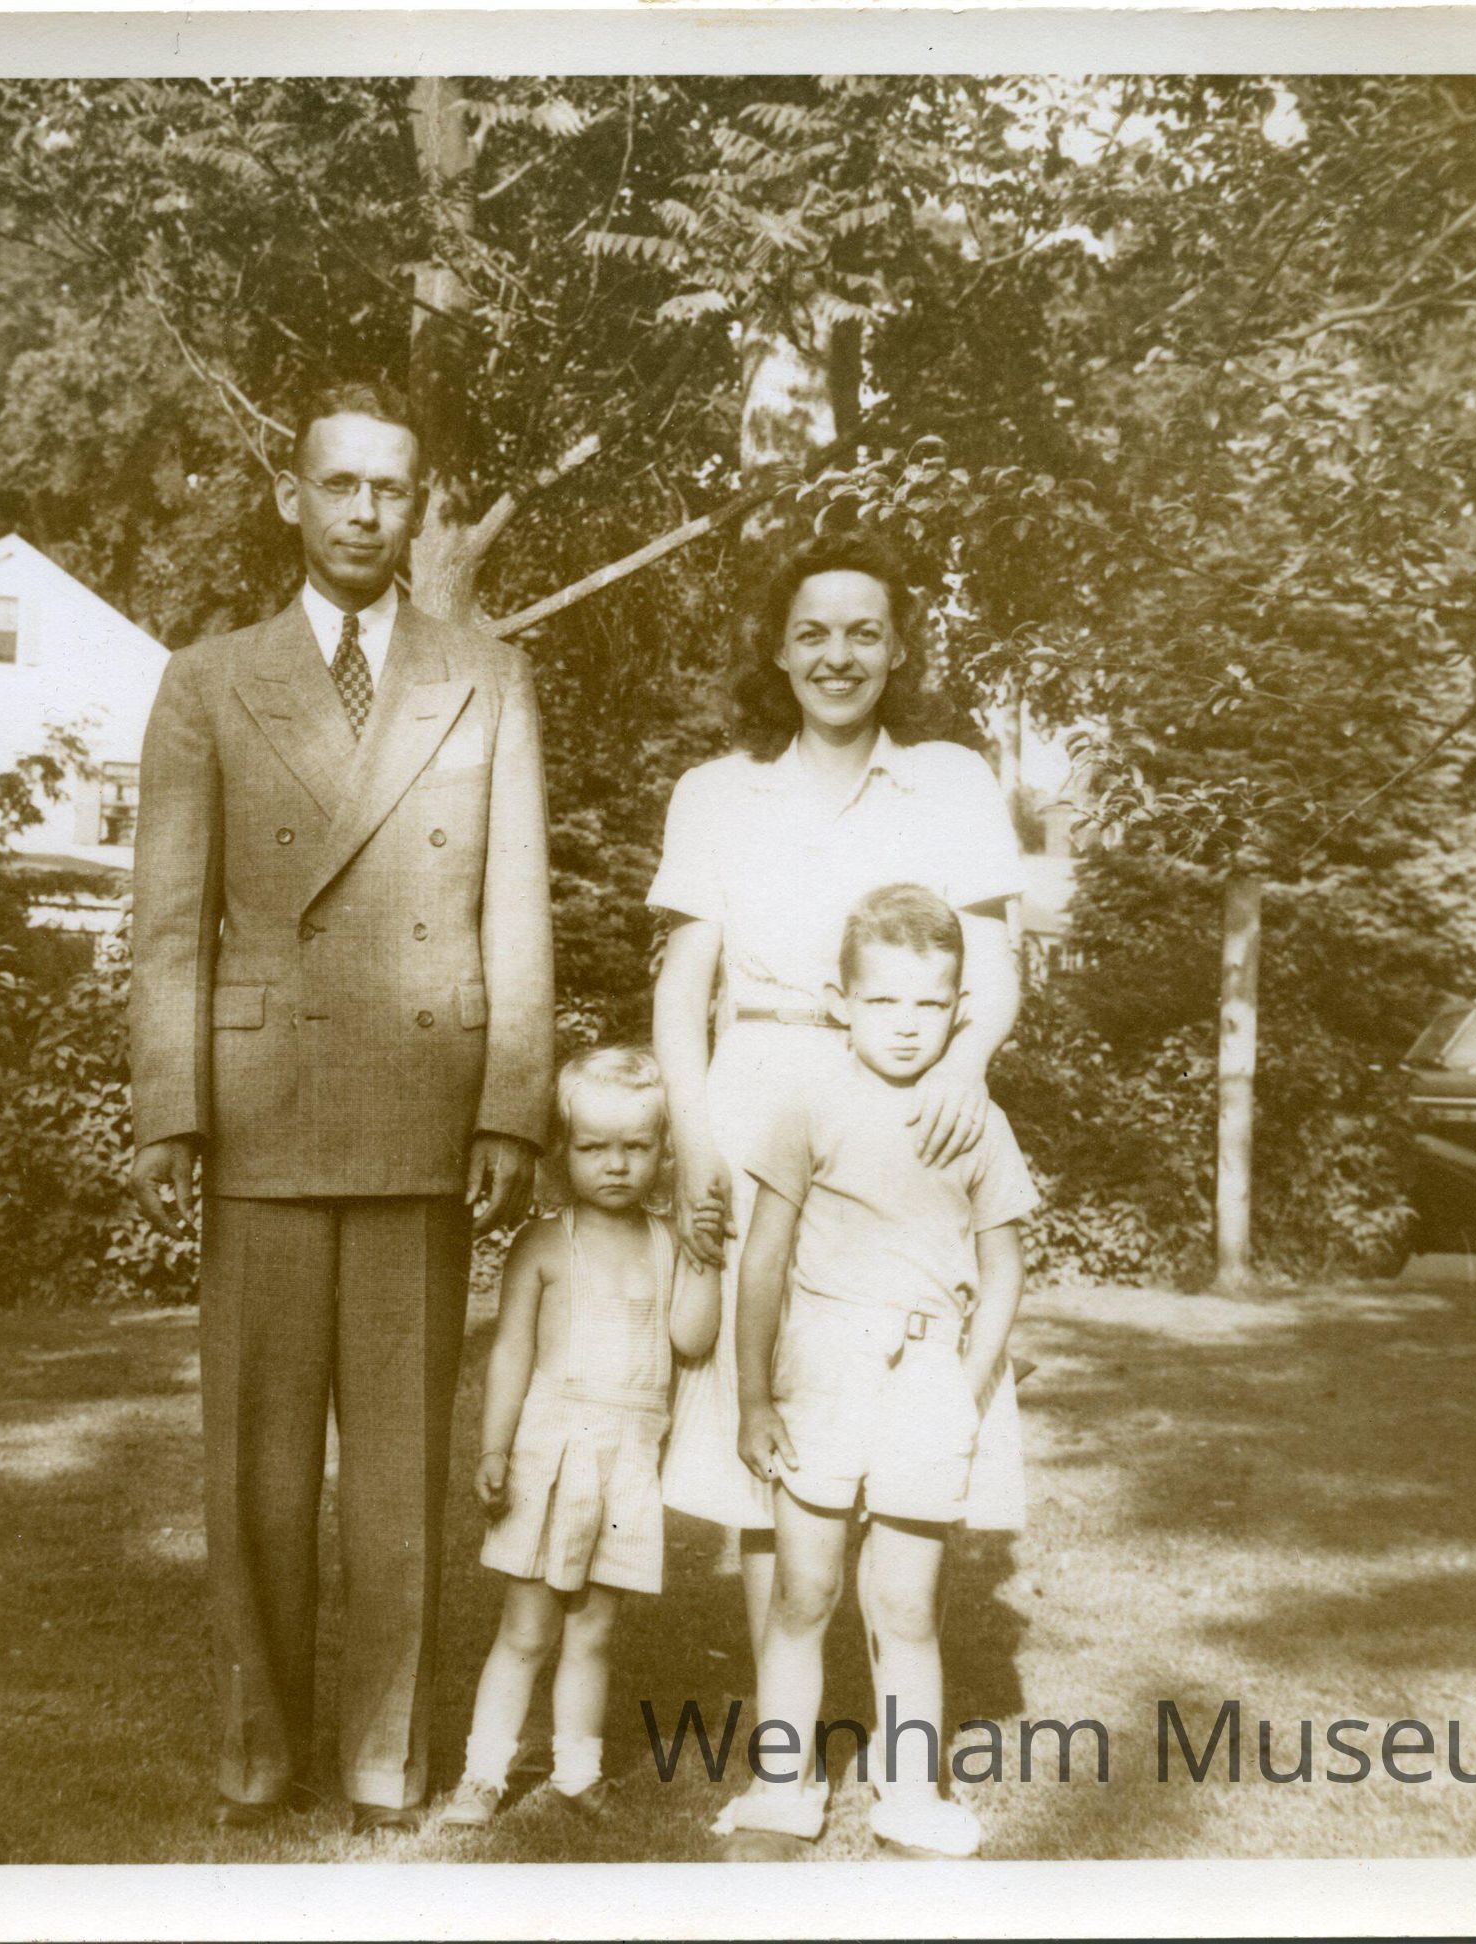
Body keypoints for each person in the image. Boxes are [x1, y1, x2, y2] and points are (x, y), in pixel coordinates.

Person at [128, 378, 555, 1837]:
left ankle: (383, 1754)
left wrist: (512, 1104)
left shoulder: (486, 673)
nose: (366, 511)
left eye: (392, 488)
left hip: (424, 1108)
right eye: (341, 484)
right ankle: (258, 1746)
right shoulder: (207, 678)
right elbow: (168, 920)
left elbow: (516, 905)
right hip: (262, 1106)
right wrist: (171, 1105)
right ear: (291, 498)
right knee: (253, 1466)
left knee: (397, 1471)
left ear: (417, 505)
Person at [646, 531, 1029, 1668]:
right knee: (764, 1401)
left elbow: (996, 969)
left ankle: (897, 1693)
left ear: (899, 648)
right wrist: (696, 1147)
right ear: (777, 649)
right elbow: (682, 992)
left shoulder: (952, 780)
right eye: (812, 633)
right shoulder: (717, 794)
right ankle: (790, 1731)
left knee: (908, 1387)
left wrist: (961, 1068)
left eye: (865, 633)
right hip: (756, 1097)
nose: (838, 656)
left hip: (911, 1109)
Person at [717, 885, 1036, 1860]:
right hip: (819, 1369)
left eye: (929, 1004)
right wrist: (754, 1398)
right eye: (884, 1000)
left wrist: (965, 1388)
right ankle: (783, 1787)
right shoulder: (807, 1104)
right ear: (840, 1001)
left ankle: (910, 1797)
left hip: (924, 1376)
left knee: (904, 1604)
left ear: (959, 1010)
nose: (906, 1024)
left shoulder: (975, 1120)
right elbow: (762, 1261)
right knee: (802, 1593)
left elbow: (1004, 1267)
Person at [439, 1047, 721, 1829]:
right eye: (594, 1147)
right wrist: (494, 1449)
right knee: (526, 1629)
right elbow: (511, 1355)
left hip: (628, 1461)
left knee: (594, 1629)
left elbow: (693, 1340)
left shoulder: (667, 1243)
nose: (616, 1165)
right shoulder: (543, 1243)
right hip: (551, 1456)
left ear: (664, 1152)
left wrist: (704, 1258)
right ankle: (483, 1774)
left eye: (636, 1147)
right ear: (563, 1151)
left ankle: (577, 1772)